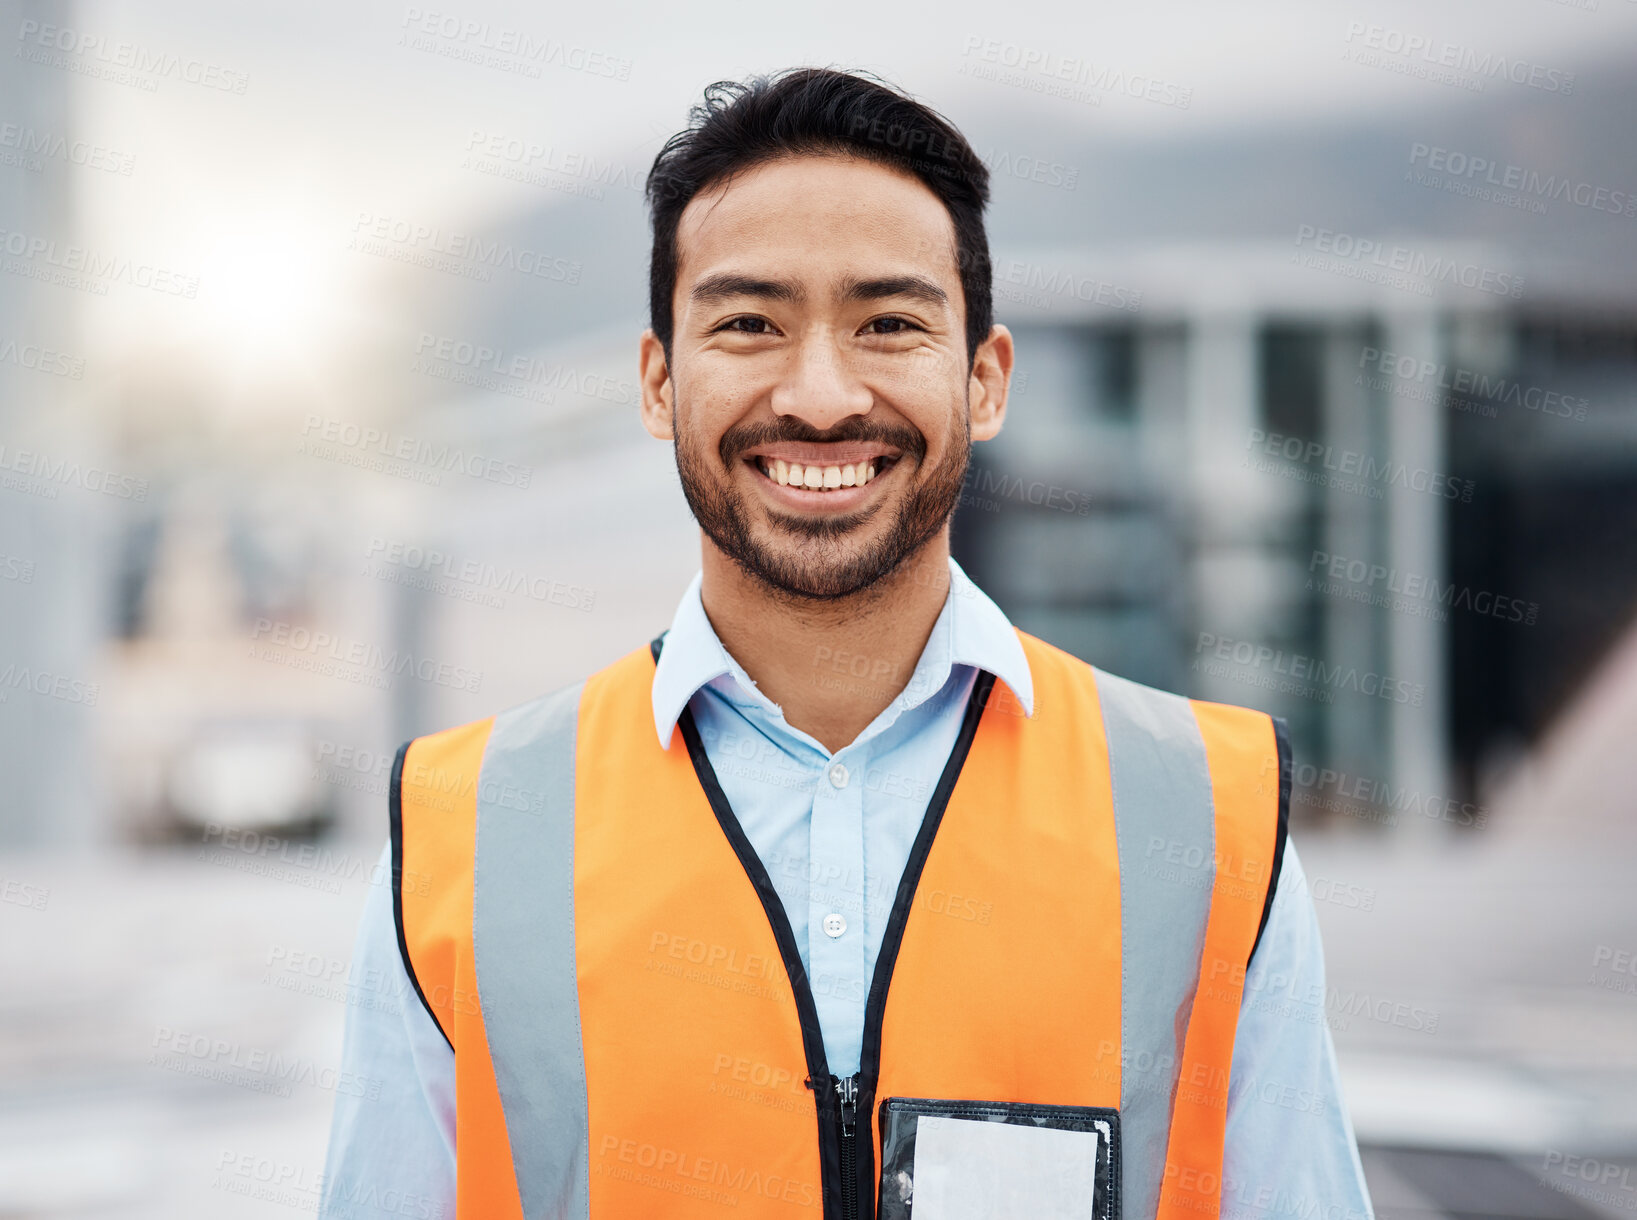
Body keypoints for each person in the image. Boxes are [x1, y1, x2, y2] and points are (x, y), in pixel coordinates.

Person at [319, 67, 1374, 1220]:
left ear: (983, 379)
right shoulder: (459, 831)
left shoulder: (1209, 814)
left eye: (887, 322)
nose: (820, 397)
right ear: (658, 381)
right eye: (747, 324)